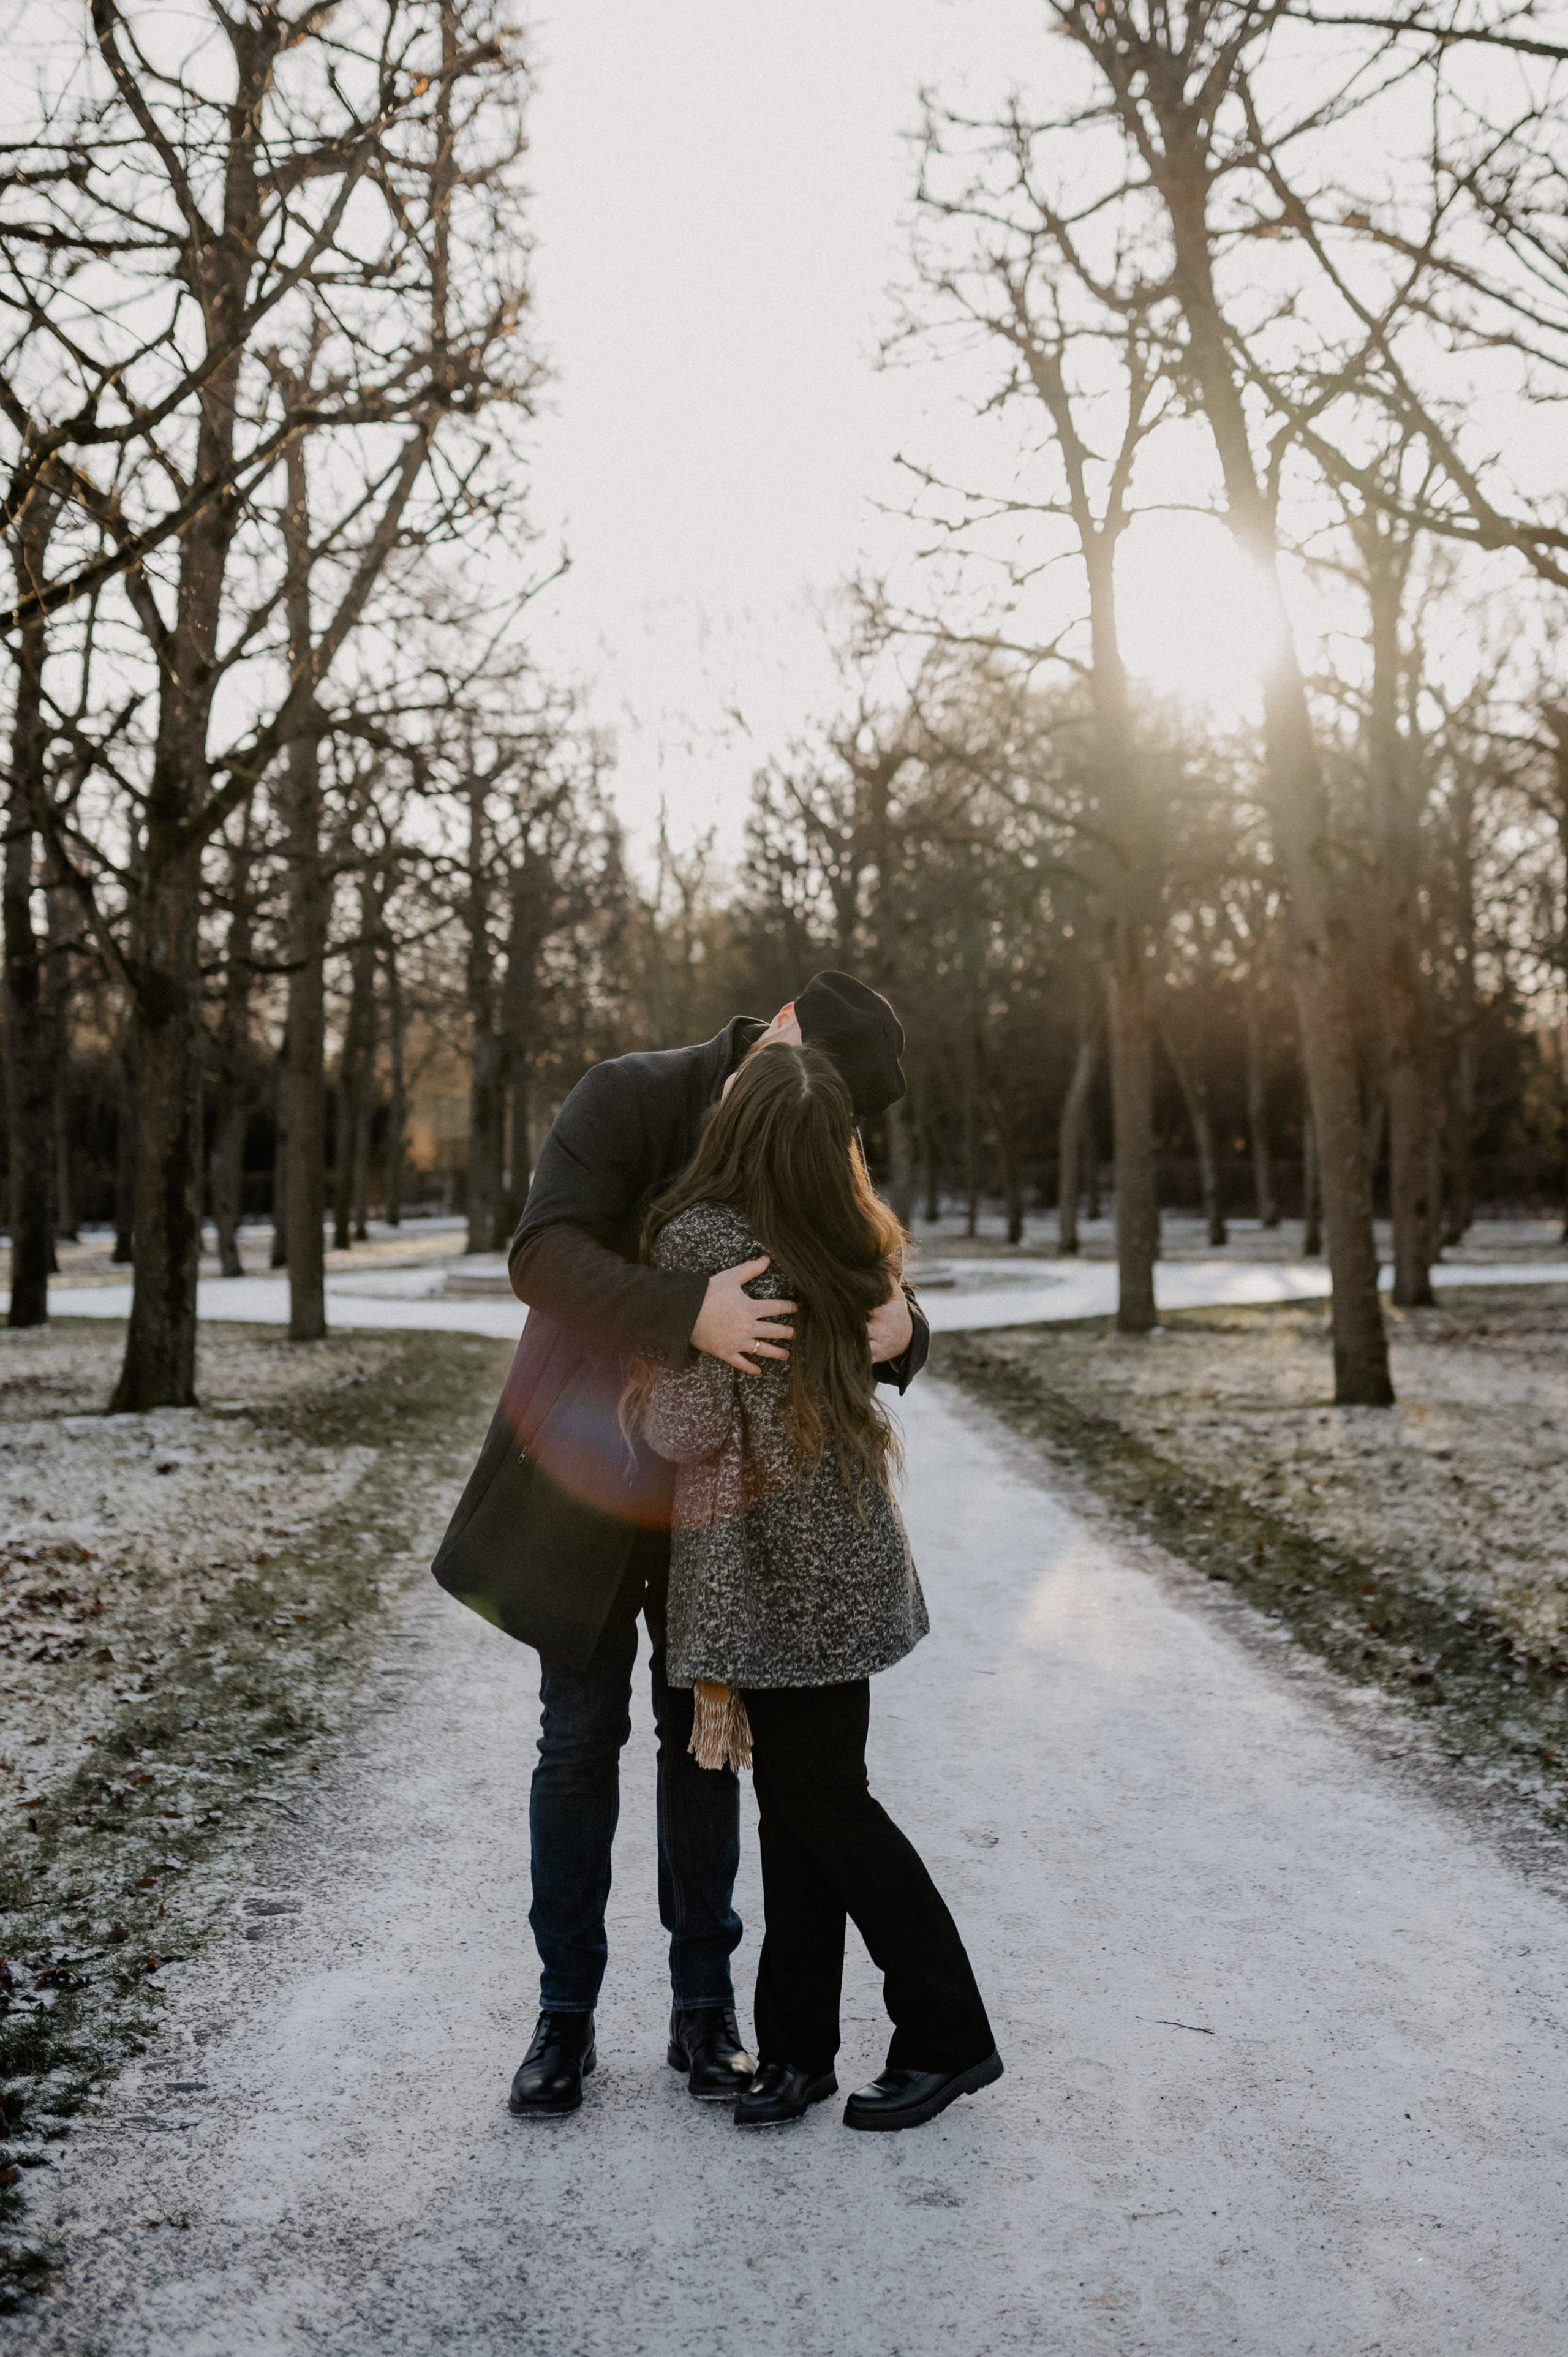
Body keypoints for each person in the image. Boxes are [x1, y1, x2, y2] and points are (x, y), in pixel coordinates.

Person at [431, 973, 928, 2117]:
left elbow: (857, 1271)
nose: (835, 1131)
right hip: (587, 1479)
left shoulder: (812, 1116)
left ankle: (704, 2011)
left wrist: (908, 1329)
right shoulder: (628, 1096)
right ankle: (564, 2017)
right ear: (789, 1025)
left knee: (702, 1742)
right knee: (577, 1734)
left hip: (726, 1508)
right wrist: (686, 1310)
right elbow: (541, 1254)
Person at [634, 1041, 1002, 2133]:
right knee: (803, 1808)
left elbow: (684, 1430)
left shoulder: (701, 1244)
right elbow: (892, 1341)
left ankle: (949, 2032)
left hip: (764, 1573)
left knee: (823, 1807)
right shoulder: (858, 1241)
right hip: (843, 1561)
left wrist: (646, 1378)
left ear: (736, 1132)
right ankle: (796, 2051)